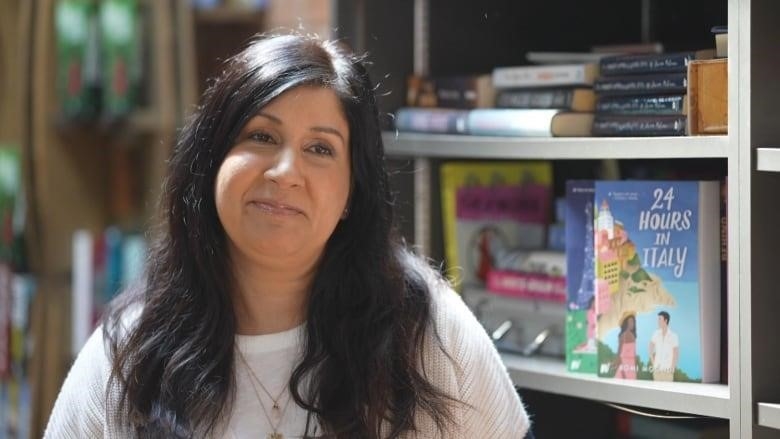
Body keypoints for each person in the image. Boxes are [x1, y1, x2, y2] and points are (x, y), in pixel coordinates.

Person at [44, 33, 531, 438]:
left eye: (320, 148)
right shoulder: (134, 349)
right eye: (261, 136)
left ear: (351, 196)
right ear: (211, 163)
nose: (285, 171)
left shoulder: (424, 329)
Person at [649, 310, 679, 381]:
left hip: (668, 370)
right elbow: (650, 347)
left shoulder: (673, 336)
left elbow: (676, 353)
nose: (658, 321)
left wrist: (672, 367)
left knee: (667, 390)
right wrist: (653, 362)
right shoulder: (656, 334)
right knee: (657, 390)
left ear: (665, 320)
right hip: (657, 370)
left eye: (660, 319)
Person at [613, 313, 637, 379]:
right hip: (624, 364)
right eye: (630, 321)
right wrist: (622, 368)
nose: (632, 323)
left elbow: (634, 354)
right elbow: (619, 353)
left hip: (631, 365)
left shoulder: (633, 336)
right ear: (626, 323)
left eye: (633, 321)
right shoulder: (623, 336)